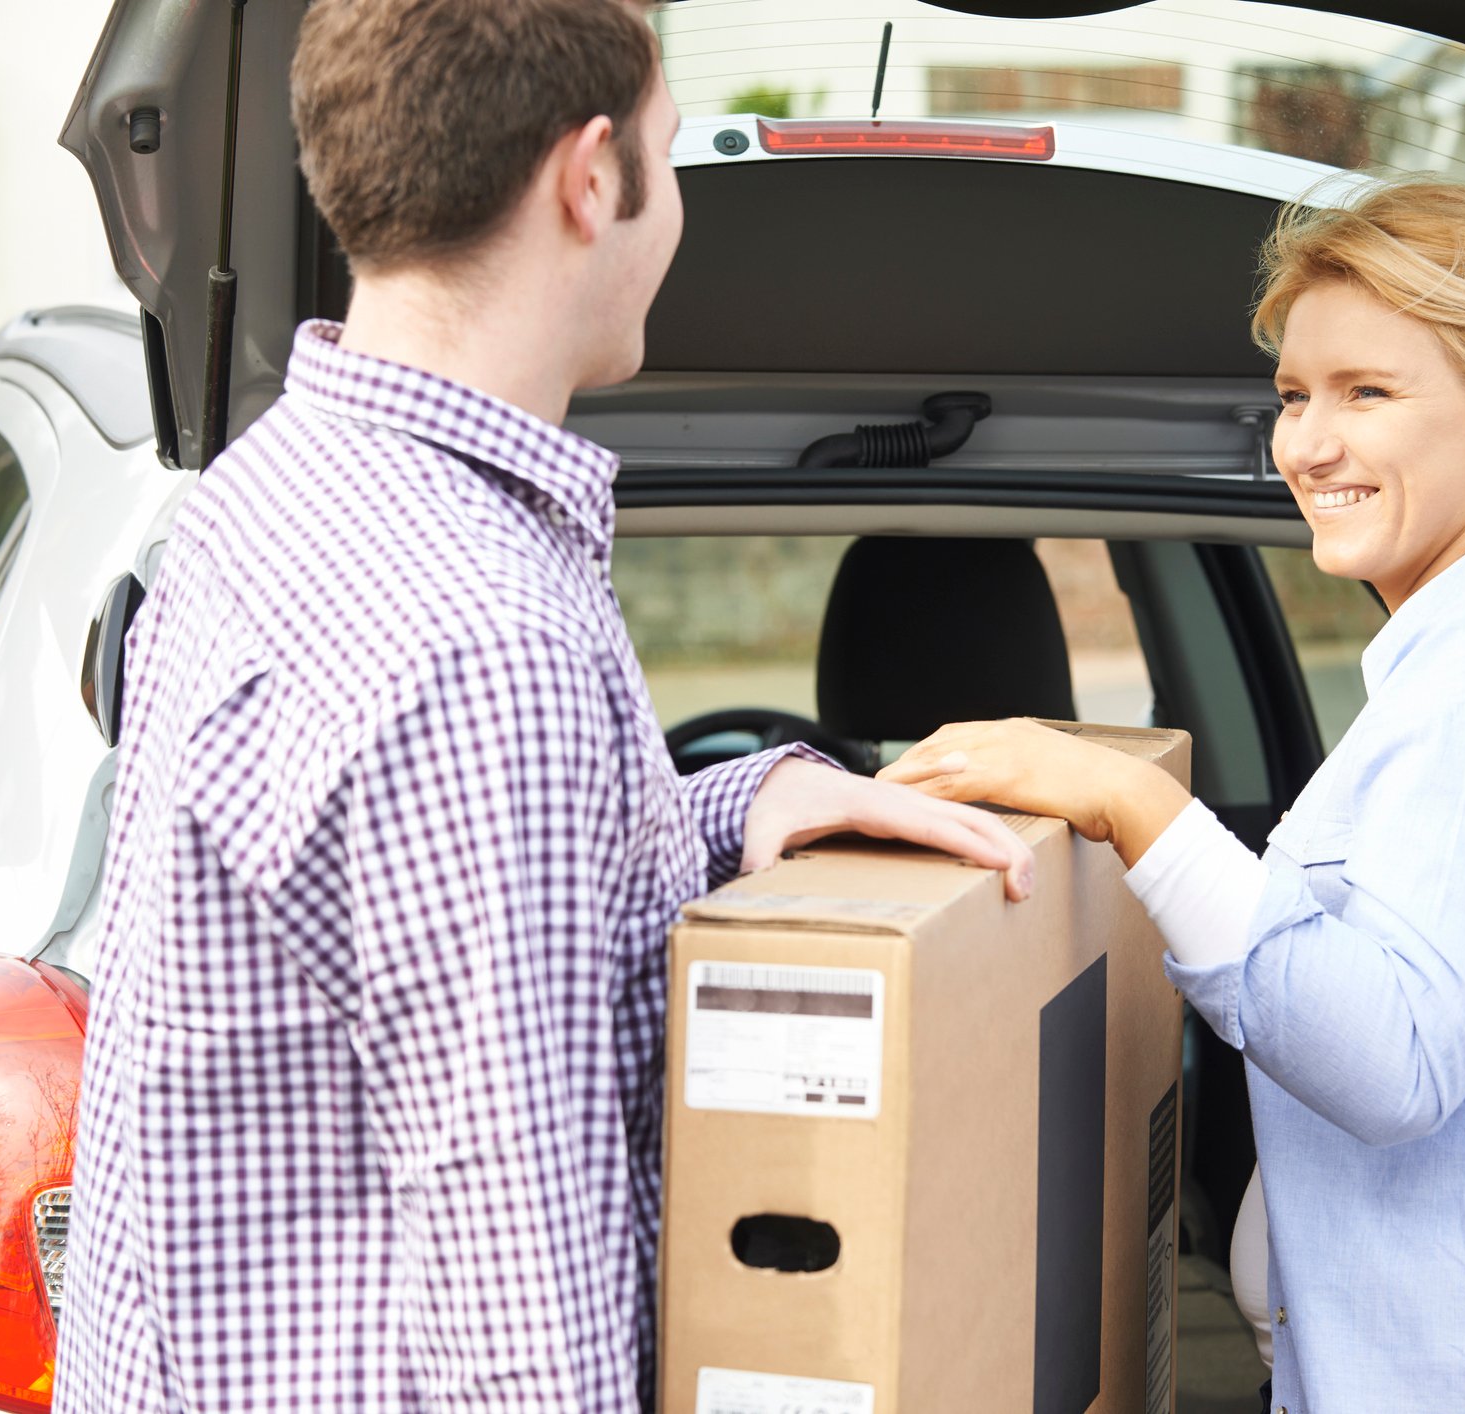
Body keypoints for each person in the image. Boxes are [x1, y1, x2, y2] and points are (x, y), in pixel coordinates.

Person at [53, 3, 1033, 1410]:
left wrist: (742, 794)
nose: (674, 203)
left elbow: (389, 902)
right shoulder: (482, 640)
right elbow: (522, 1318)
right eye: (672, 153)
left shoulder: (265, 502)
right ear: (589, 180)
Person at [883, 179, 1465, 1412]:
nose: (1307, 444)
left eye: (1366, 392)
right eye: (1295, 398)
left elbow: (1389, 1057)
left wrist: (1127, 803)